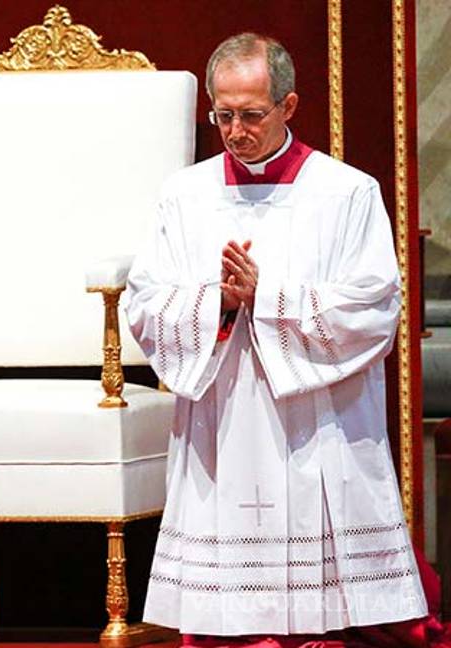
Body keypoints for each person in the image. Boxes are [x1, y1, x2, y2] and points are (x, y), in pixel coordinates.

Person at [125, 33, 431, 645]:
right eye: (223, 116)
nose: (235, 132)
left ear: (288, 106)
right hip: (223, 407)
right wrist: (217, 301)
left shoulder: (346, 192)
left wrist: (267, 298)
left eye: (251, 115)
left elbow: (374, 306)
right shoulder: (185, 194)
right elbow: (145, 301)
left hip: (318, 417)